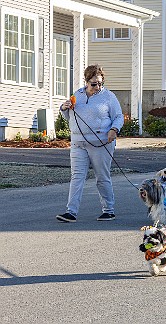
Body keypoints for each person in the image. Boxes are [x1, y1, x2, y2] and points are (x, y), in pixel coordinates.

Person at [56, 64, 123, 222]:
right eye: (94, 84)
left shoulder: (108, 97)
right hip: (78, 142)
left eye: (100, 83)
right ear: (86, 82)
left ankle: (108, 210)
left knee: (102, 176)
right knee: (77, 177)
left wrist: (114, 129)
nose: (97, 87)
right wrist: (64, 108)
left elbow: (118, 116)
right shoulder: (77, 95)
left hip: (101, 142)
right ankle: (71, 212)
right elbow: (70, 118)